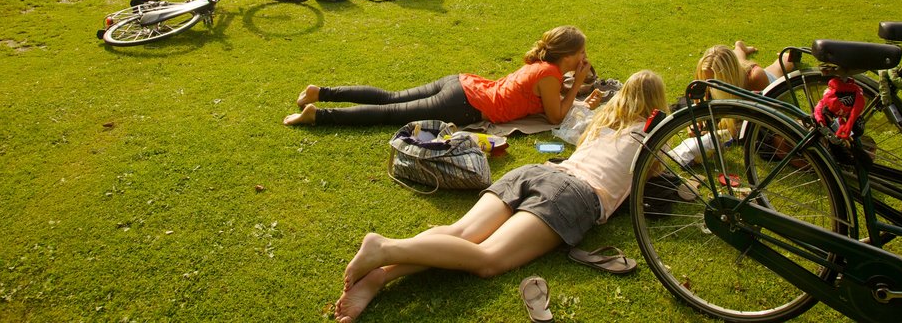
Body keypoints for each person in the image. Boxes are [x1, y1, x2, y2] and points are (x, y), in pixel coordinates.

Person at [331, 69, 668, 323]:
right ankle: (384, 248)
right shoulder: (651, 137)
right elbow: (663, 170)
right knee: (489, 259)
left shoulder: (600, 123)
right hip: (573, 194)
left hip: (538, 171)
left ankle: (380, 274)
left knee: (459, 233)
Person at [285, 26, 593, 127]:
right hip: (466, 103)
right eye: (581, 53)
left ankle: (320, 91)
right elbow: (556, 117)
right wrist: (577, 83)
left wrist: (573, 85)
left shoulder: (543, 66)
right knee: (390, 113)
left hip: (460, 83)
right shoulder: (551, 74)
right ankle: (319, 116)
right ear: (567, 56)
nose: (583, 58)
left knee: (391, 98)